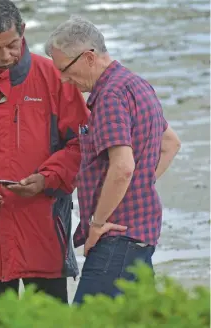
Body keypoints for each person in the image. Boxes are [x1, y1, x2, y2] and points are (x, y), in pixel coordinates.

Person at [0, 0, 89, 303]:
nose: (6, 55)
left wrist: (48, 177)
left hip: (43, 231)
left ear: (23, 32)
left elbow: (83, 143)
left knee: (49, 322)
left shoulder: (55, 78)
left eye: (13, 45)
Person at [45, 16, 181, 303]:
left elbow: (122, 167)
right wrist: (139, 185)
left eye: (65, 70)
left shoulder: (108, 96)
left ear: (89, 57)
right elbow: (170, 144)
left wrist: (97, 224)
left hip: (115, 237)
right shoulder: (137, 85)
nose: (64, 80)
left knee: (87, 322)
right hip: (141, 236)